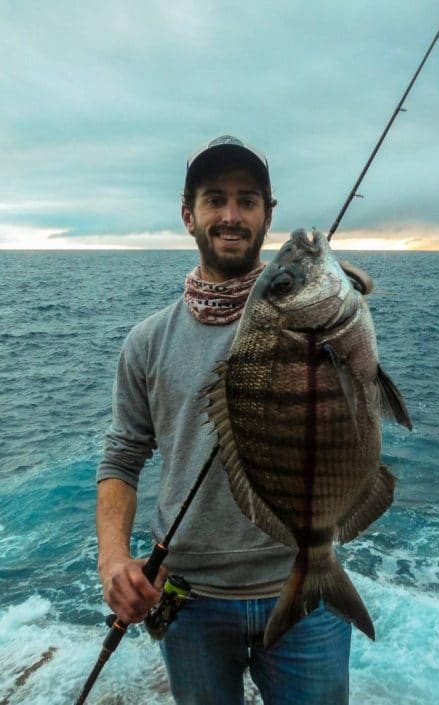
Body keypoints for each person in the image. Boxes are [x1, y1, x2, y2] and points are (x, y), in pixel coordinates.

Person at [96, 135, 352, 705]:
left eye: (248, 199)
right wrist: (113, 557)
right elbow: (122, 455)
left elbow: (361, 391)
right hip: (190, 602)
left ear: (268, 214)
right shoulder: (147, 342)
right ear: (189, 215)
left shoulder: (314, 319)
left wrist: (340, 303)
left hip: (305, 588)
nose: (231, 215)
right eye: (215, 199)